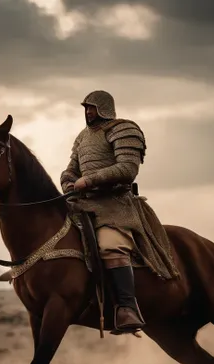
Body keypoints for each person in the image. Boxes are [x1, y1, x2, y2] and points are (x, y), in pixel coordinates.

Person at [60, 90, 179, 334]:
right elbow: (71, 169)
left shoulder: (123, 129)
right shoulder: (83, 137)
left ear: (104, 108)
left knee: (110, 246)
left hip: (115, 203)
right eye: (85, 108)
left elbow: (127, 168)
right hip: (82, 203)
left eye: (91, 107)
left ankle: (127, 308)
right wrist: (69, 183)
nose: (88, 112)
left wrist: (90, 180)